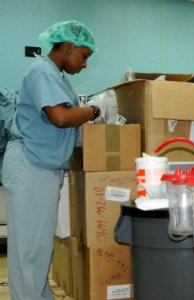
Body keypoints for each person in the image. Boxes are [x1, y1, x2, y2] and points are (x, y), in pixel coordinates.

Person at [3, 20, 101, 300]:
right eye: (84, 56)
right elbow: (60, 117)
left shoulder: (56, 76)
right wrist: (93, 110)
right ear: (68, 46)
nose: (84, 64)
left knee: (38, 247)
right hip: (30, 167)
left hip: (41, 167)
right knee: (29, 250)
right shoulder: (41, 71)